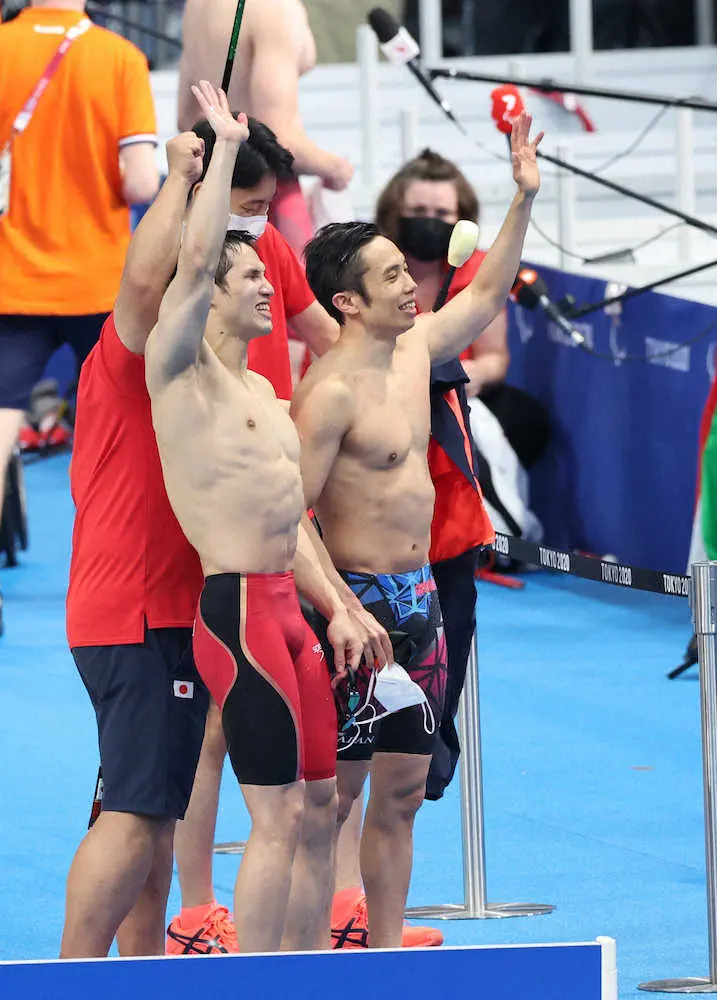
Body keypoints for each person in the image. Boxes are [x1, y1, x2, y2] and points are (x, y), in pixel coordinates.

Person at [291, 110, 542, 949]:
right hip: (355, 610)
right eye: (391, 276)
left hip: (419, 600)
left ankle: (384, 950)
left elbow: (487, 292)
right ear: (346, 302)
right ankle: (315, 947)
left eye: (406, 271)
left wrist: (522, 197)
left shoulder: (415, 351)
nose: (411, 286)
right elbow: (288, 516)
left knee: (400, 794)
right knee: (333, 798)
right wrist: (338, 608)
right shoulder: (326, 394)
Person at [145, 80, 366, 953]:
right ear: (209, 295)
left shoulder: (269, 400)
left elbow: (292, 522)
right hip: (237, 611)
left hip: (289, 609)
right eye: (251, 276)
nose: (269, 283)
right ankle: (255, 978)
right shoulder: (183, 376)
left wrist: (337, 604)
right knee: (273, 817)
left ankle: (308, 971)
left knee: (319, 806)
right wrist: (225, 152)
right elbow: (196, 258)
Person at [0, 0, 158, 538]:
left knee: (2, 414)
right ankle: (130, 547)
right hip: (99, 281)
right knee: (129, 421)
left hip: (11, 278)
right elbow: (141, 182)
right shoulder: (119, 57)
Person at [177, 0, 354, 258]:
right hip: (266, 198)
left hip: (214, 193)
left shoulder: (196, 6)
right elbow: (278, 136)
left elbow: (187, 119)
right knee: (285, 282)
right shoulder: (274, 8)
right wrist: (336, 170)